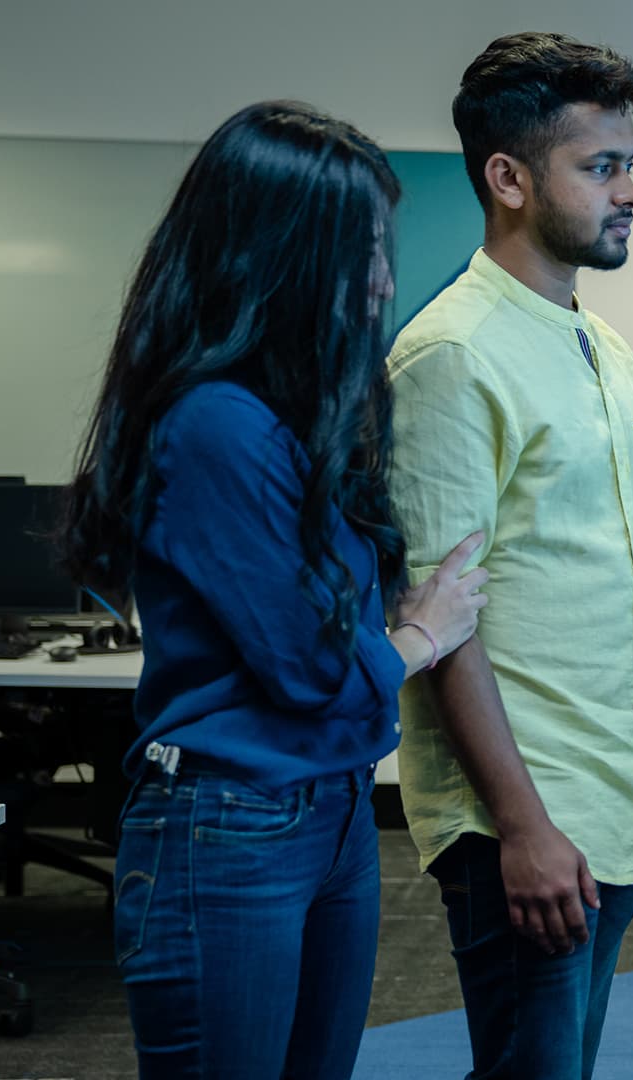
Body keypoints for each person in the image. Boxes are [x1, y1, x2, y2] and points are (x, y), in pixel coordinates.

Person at [58, 101, 490, 1078]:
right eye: (364, 250)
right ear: (284, 258)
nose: (383, 277)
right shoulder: (214, 426)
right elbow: (309, 668)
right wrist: (421, 637)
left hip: (328, 811)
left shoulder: (296, 415)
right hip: (230, 824)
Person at [384, 32, 633, 1080]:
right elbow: (444, 620)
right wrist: (524, 828)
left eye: (630, 163)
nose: (632, 191)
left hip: (611, 788)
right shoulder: (453, 356)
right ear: (509, 178)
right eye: (602, 166)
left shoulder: (601, 345)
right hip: (519, 818)